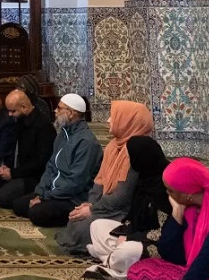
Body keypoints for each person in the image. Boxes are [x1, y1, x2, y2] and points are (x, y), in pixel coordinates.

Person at [56, 100, 155, 254]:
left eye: (113, 117)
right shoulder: (113, 146)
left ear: (128, 121)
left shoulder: (137, 151)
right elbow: (99, 181)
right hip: (107, 205)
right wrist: (90, 204)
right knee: (76, 221)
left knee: (83, 227)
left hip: (125, 211)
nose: (108, 120)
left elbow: (123, 196)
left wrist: (93, 209)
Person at [82, 136, 172, 280]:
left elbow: (164, 232)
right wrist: (127, 232)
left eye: (131, 157)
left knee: (127, 251)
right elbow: (133, 216)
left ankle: (114, 262)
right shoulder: (143, 178)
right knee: (97, 226)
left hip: (156, 243)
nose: (129, 161)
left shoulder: (166, 185)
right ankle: (115, 260)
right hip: (137, 233)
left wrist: (131, 238)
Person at [12, 93, 103, 227]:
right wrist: (40, 193)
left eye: (59, 108)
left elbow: (76, 182)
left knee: (37, 213)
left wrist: (45, 197)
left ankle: (73, 217)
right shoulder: (63, 135)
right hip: (54, 192)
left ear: (71, 113)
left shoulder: (87, 143)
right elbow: (50, 167)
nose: (55, 111)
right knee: (18, 204)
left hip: (73, 198)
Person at [0, 89, 56, 206]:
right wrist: (5, 166)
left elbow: (40, 163)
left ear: (24, 107)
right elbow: (14, 150)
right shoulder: (20, 121)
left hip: (33, 176)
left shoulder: (44, 127)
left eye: (13, 111)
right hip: (17, 171)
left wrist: (13, 173)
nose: (9, 114)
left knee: (2, 198)